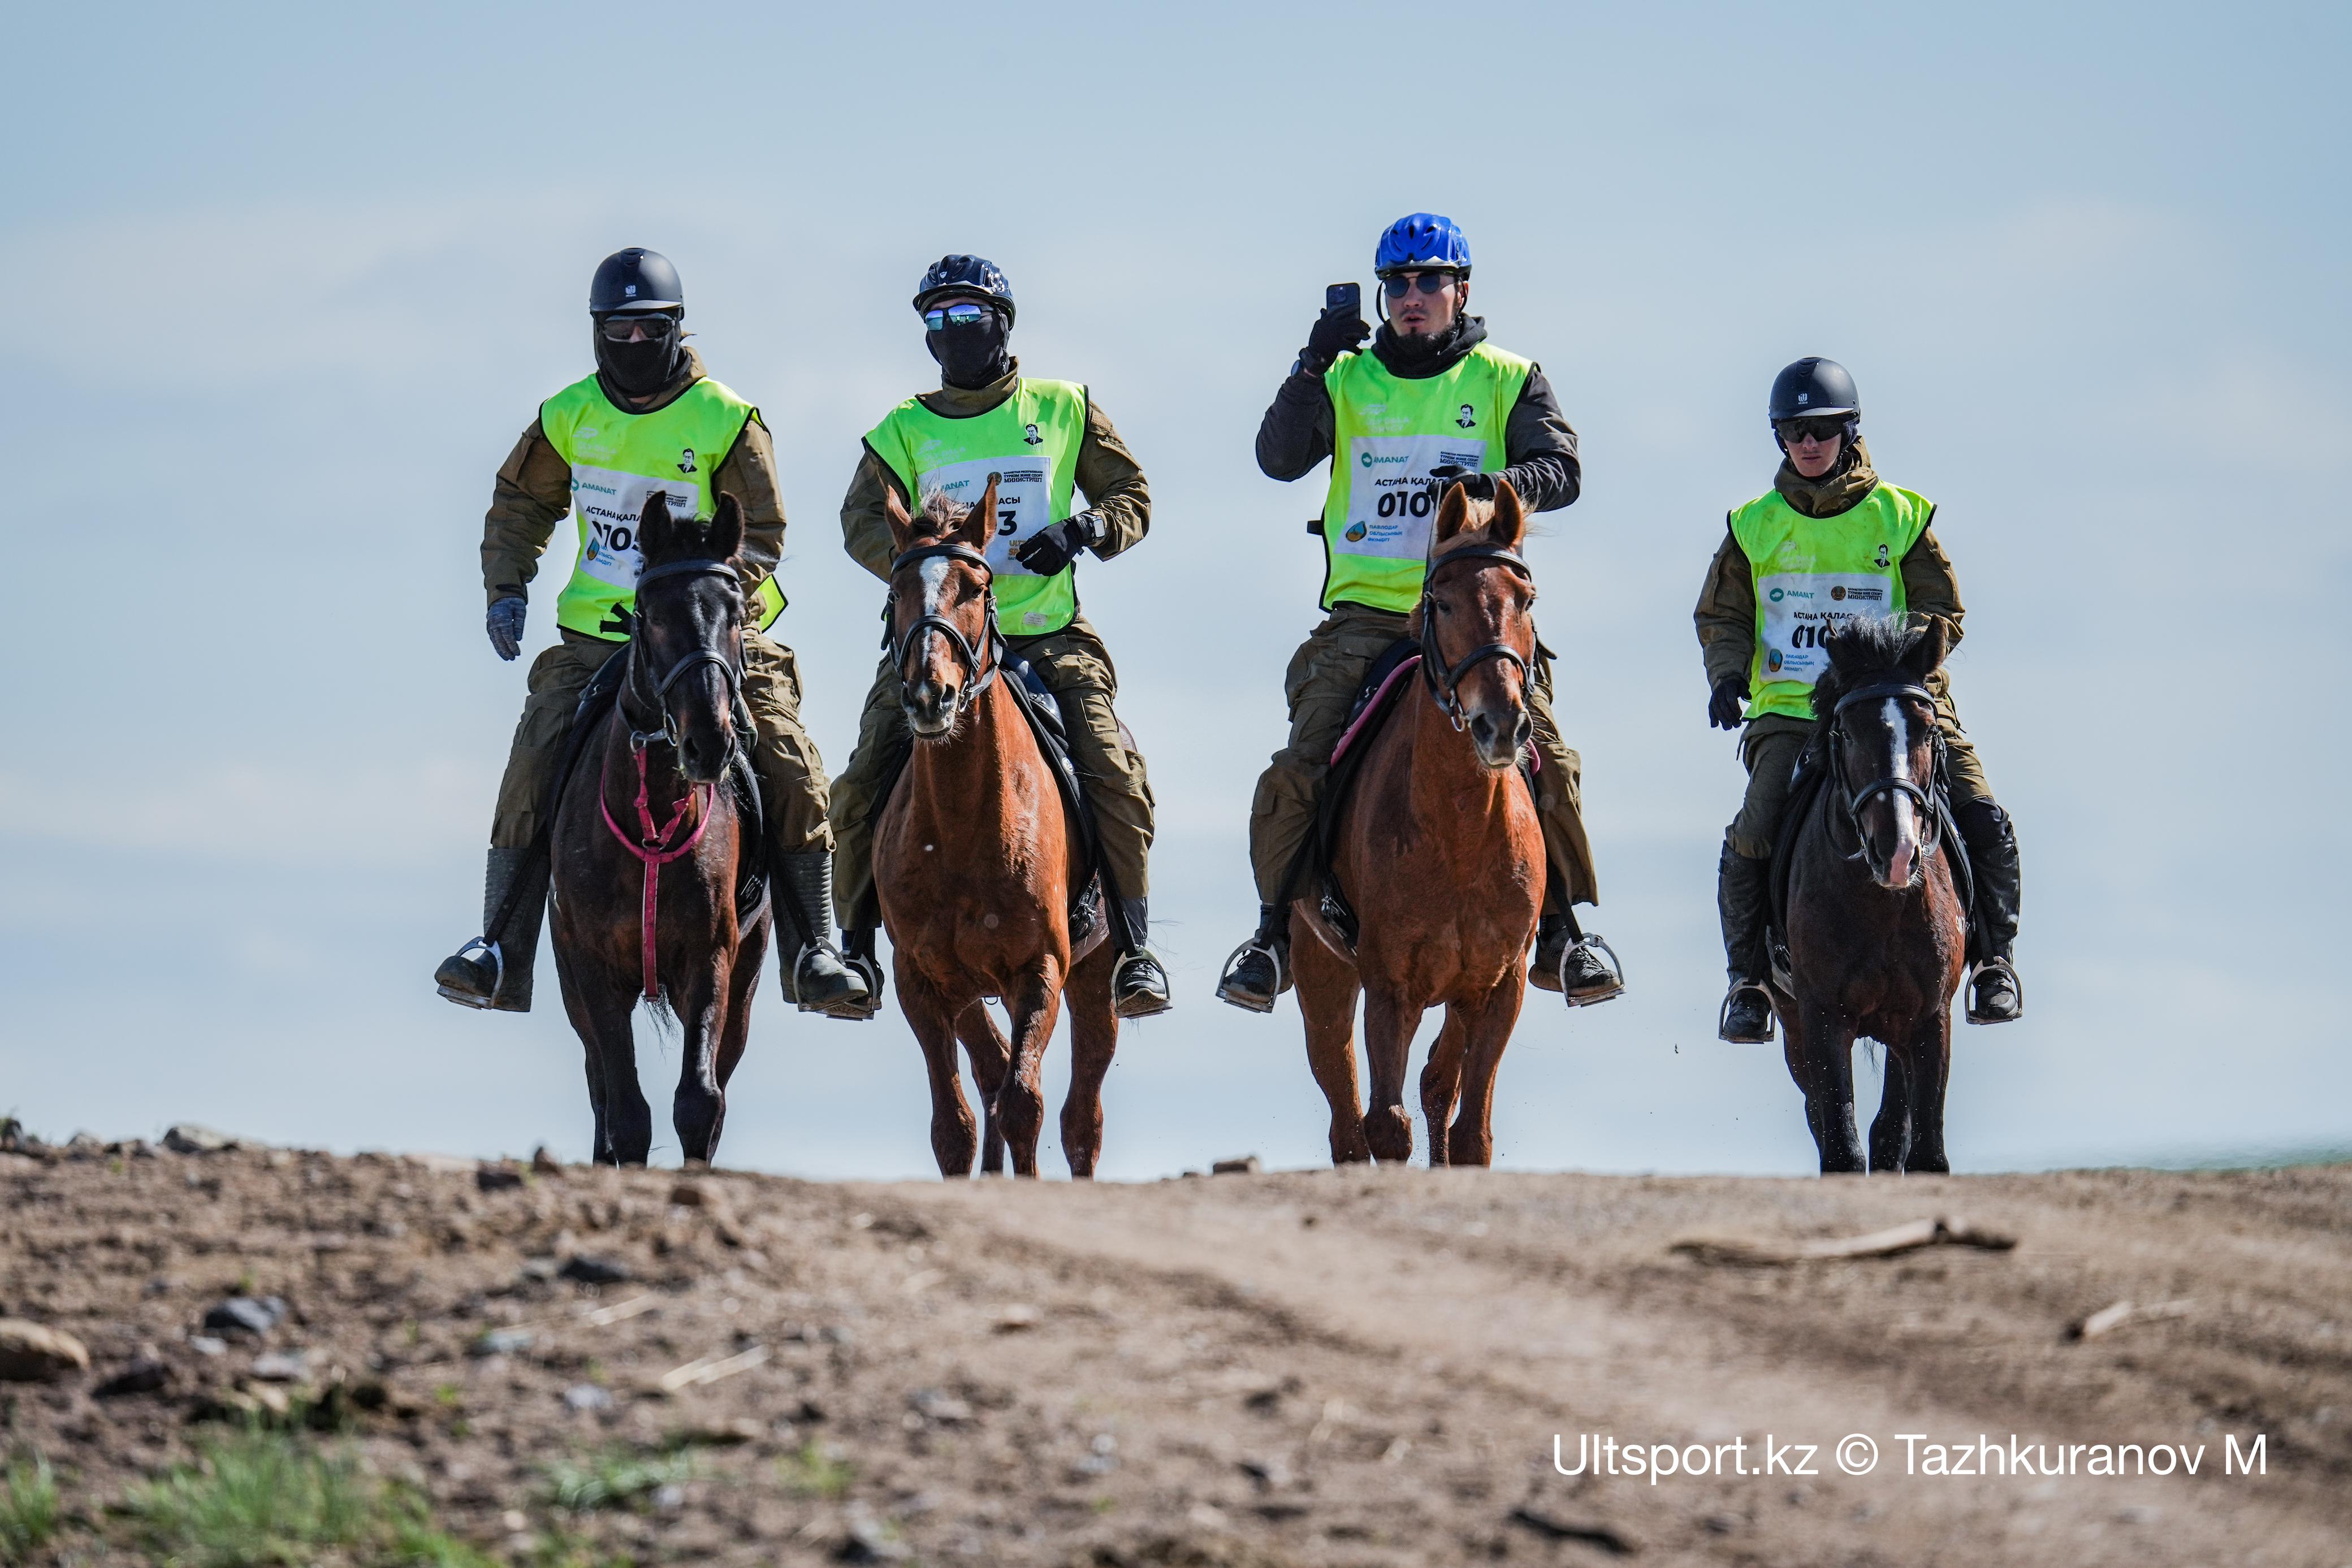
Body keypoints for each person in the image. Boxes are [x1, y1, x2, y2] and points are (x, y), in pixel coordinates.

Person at [432, 248, 866, 1017]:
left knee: (794, 762)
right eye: (617, 331)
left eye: (648, 329)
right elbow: (520, 504)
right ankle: (497, 945)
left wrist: (710, 599)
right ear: (597, 331)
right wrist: (507, 587)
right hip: (599, 637)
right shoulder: (569, 413)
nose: (632, 344)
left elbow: (761, 529)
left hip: (708, 639)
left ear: (674, 329)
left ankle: (818, 949)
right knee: (533, 758)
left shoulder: (725, 417)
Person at [1216, 213, 1624, 1012]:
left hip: (1476, 620)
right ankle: (1271, 936)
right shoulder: (1346, 377)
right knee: (1300, 764)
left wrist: (1488, 493)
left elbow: (1563, 466)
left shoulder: (1508, 376)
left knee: (1551, 757)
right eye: (1397, 283)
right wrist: (1310, 363)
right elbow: (1277, 458)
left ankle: (1564, 930)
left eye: (1429, 281)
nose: (1412, 298)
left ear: (1460, 290)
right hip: (1366, 617)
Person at [827, 255, 1172, 1020]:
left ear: (1002, 324)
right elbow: (859, 520)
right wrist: (930, 568)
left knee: (1113, 770)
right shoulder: (900, 430)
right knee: (856, 784)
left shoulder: (1063, 406)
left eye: (967, 316)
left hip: (1047, 635)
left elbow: (1131, 493)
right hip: (940, 643)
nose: (950, 333)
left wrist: (1086, 528)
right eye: (936, 320)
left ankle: (1137, 951)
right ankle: (850, 952)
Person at [1694, 357, 2024, 1041]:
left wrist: (1883, 659)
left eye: (1821, 429)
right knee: (1755, 825)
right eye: (1792, 430)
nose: (1807, 443)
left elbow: (1941, 608)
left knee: (1981, 809)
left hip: (1897, 704)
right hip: (1790, 712)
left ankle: (1994, 961)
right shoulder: (1752, 525)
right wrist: (1726, 675)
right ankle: (1748, 980)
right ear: (1778, 437)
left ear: (1848, 431)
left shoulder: (1899, 516)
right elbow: (1722, 615)